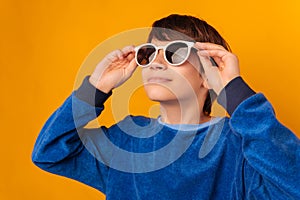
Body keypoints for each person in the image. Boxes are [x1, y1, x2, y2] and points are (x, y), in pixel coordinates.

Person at [32, 14, 300, 199]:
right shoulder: (126, 138)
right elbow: (50, 151)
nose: (157, 63)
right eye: (148, 54)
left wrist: (235, 91)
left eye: (175, 53)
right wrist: (95, 88)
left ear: (209, 75)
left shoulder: (237, 146)